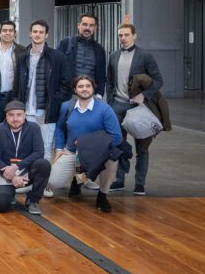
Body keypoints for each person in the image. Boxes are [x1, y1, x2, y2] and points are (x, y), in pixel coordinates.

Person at [107, 23, 166, 195]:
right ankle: (119, 180)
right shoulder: (113, 56)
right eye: (120, 35)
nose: (123, 38)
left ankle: (140, 183)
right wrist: (110, 101)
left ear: (134, 35)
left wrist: (144, 95)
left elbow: (158, 80)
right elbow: (109, 80)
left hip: (138, 107)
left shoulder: (145, 56)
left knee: (142, 146)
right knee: (118, 145)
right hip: (117, 105)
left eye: (126, 35)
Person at [52, 75, 123, 212]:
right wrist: (59, 147)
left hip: (96, 152)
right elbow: (60, 128)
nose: (84, 89)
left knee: (112, 160)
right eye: (80, 86)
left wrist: (87, 143)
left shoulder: (105, 109)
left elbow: (116, 137)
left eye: (88, 86)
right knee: (53, 182)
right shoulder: (67, 107)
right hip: (73, 151)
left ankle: (102, 195)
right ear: (75, 89)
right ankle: (77, 180)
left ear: (93, 88)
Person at [12, 20, 72, 172]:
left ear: (46, 35)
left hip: (45, 112)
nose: (37, 35)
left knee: (45, 149)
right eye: (35, 31)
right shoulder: (22, 57)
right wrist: (17, 107)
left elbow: (67, 84)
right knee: (25, 147)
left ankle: (44, 183)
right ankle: (26, 180)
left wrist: (54, 103)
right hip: (25, 111)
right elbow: (17, 85)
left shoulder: (57, 57)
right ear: (30, 33)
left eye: (41, 32)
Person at [0, 100, 50, 215]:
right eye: (11, 115)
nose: (15, 119)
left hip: (26, 169)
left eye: (19, 115)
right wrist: (12, 176)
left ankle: (33, 199)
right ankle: (10, 192)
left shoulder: (34, 128)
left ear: (24, 115)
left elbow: (39, 152)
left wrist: (17, 167)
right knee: (0, 205)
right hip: (5, 171)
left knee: (44, 164)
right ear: (6, 116)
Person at [0, 20, 26, 124]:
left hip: (13, 96)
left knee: (13, 126)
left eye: (11, 30)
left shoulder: (22, 51)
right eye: (5, 30)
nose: (8, 33)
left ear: (15, 33)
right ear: (0, 33)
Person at [57, 13, 107, 97]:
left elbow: (102, 75)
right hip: (68, 96)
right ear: (78, 25)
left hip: (91, 96)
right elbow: (56, 70)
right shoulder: (65, 44)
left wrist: (99, 95)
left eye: (91, 25)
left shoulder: (99, 49)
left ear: (95, 28)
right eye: (84, 24)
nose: (87, 28)